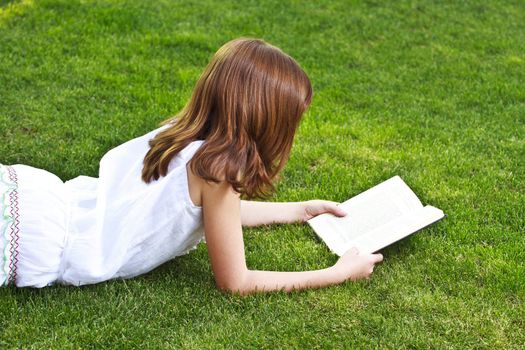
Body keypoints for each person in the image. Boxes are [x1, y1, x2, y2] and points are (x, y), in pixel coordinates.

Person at [0, 38, 383, 294]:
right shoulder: (217, 174)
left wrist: (299, 210)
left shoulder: (184, 136)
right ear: (267, 122)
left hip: (35, 200)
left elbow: (215, 215)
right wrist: (337, 274)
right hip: (40, 240)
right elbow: (236, 281)